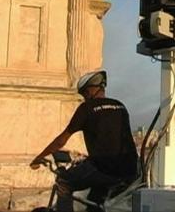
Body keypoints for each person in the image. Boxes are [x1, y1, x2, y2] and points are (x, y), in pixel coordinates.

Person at [30, 70, 138, 212]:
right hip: (130, 169)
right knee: (94, 200)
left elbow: (61, 140)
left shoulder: (87, 108)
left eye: (84, 93)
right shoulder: (120, 106)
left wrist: (39, 157)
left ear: (91, 91)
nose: (84, 97)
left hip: (104, 168)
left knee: (64, 181)